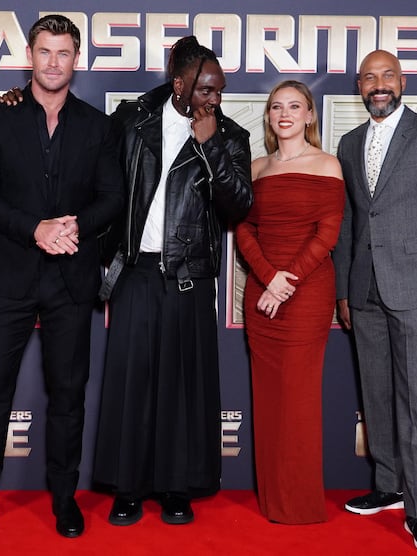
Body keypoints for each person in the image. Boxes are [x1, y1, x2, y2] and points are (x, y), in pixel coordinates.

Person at [0, 15, 124, 545]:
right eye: (44, 51)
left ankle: (65, 499)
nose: (53, 62)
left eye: (64, 53)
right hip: (12, 276)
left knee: (67, 395)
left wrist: (74, 227)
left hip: (72, 278)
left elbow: (112, 196)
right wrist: (35, 230)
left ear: (76, 59)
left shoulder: (98, 125)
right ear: (30, 53)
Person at [92, 35, 252, 526]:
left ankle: (176, 487)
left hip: (190, 275)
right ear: (178, 83)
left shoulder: (229, 136)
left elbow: (239, 205)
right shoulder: (131, 120)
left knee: (184, 387)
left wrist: (211, 150)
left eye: (220, 91)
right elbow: (95, 180)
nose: (214, 100)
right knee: (131, 383)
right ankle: (128, 488)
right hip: (136, 270)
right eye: (205, 90)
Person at [333, 50, 417, 553]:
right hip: (364, 289)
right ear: (360, 87)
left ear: (403, 81)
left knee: (416, 401)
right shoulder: (348, 143)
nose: (379, 85)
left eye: (387, 75)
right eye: (370, 78)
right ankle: (387, 485)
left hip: (416, 290)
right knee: (377, 394)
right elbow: (348, 222)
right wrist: (344, 289)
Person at [234, 80, 344, 524]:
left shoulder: (328, 164)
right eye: (276, 107)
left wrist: (287, 281)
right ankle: (273, 495)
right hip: (262, 293)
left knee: (298, 398)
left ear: (310, 115)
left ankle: (298, 503)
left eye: (294, 106)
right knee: (268, 395)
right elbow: (243, 229)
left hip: (306, 294)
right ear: (268, 116)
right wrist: (268, 278)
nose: (285, 114)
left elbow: (328, 233)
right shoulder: (256, 167)